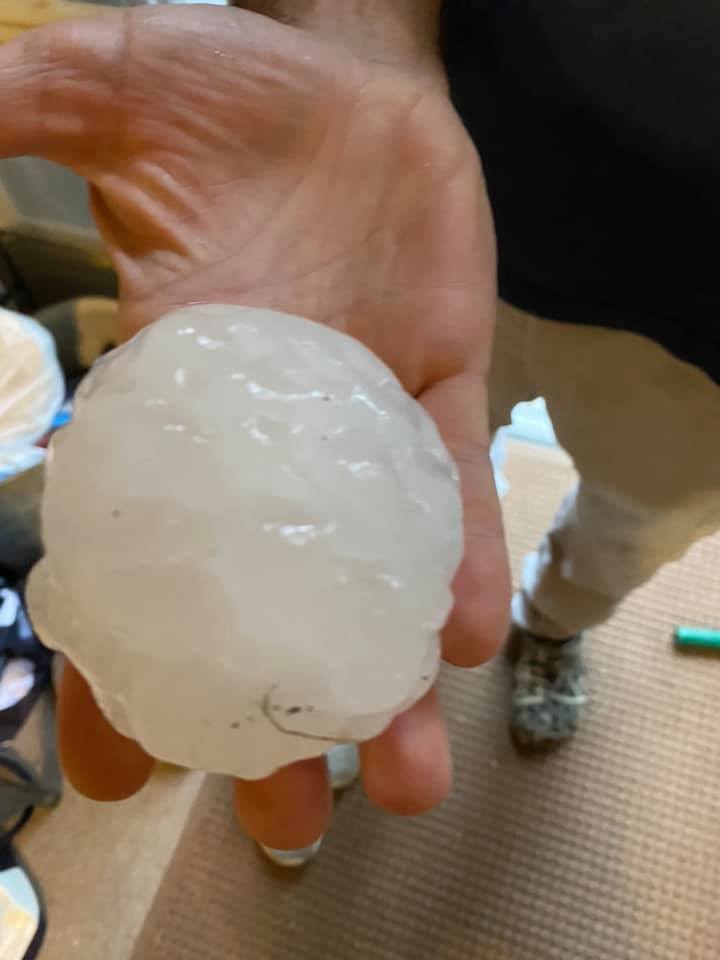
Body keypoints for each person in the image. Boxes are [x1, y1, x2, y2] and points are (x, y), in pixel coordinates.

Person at [0, 0, 717, 867]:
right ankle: (304, 702)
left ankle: (555, 623)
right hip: (432, 181)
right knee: (453, 455)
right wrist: (340, 17)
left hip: (702, 326)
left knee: (635, 523)